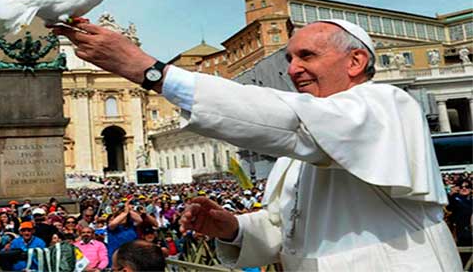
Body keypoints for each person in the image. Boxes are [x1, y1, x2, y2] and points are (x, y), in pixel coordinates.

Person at [53, 19, 461, 270]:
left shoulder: (386, 105)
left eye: (306, 56)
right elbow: (284, 232)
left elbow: (288, 119)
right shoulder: (299, 154)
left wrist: (151, 72)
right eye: (289, 59)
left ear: (355, 62)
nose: (293, 69)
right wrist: (231, 227)